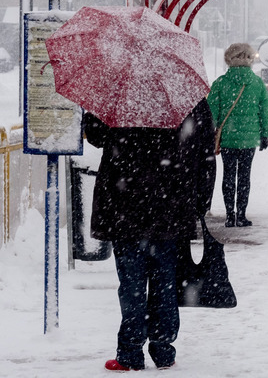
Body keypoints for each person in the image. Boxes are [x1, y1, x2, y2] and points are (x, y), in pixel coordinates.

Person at [83, 98, 216, 372]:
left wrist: (95, 115)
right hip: (170, 203)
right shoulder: (185, 91)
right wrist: (201, 200)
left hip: (124, 203)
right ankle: (164, 349)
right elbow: (205, 151)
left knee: (132, 283)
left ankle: (130, 352)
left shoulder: (118, 87)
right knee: (165, 279)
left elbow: (96, 135)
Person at [206, 42, 268, 227]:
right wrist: (264, 134)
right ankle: (241, 215)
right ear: (250, 60)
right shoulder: (257, 83)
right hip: (249, 139)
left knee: (228, 176)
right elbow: (265, 110)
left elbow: (211, 112)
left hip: (228, 138)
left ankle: (229, 215)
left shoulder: (220, 83)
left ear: (229, 59)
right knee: (244, 177)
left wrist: (211, 133)